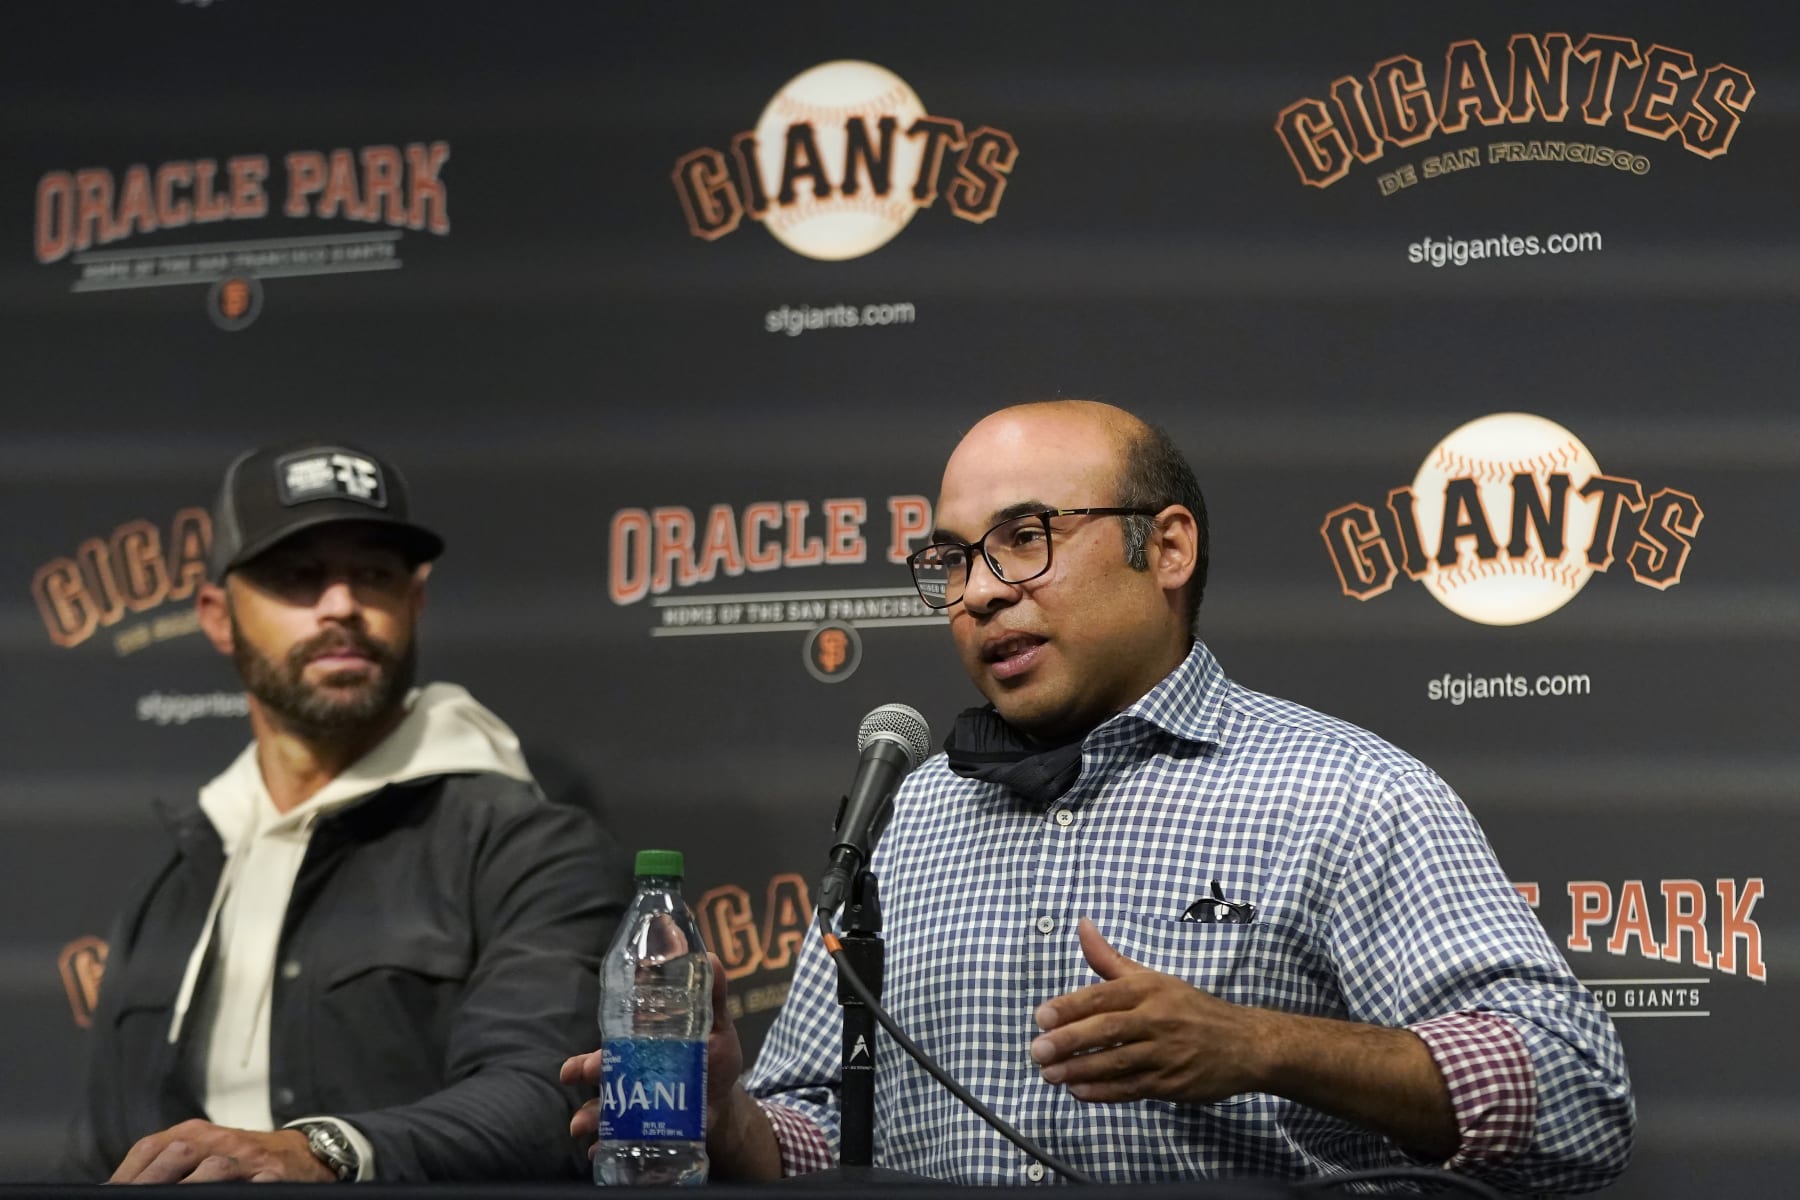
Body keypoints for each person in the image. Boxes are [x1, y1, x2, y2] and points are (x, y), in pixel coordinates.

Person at [567, 400, 1635, 1191]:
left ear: (1165, 547)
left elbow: (1577, 1094)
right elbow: (815, 1135)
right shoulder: (905, 815)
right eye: (951, 559)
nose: (979, 589)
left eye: (1025, 539)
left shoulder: (1347, 793)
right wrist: (727, 1122)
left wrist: (1263, 1046)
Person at [62, 440, 630, 1183]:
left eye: (374, 575)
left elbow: (547, 1098)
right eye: (298, 578)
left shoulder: (531, 845)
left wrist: (321, 1151)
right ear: (216, 617)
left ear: (414, 602)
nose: (342, 605)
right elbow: (97, 1156)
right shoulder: (178, 877)